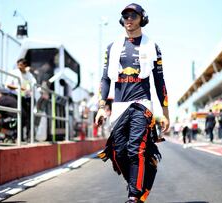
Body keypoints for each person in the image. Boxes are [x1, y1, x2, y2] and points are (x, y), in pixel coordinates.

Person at [95, 3, 169, 203]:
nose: (129, 19)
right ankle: (143, 176)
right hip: (119, 106)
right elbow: (105, 79)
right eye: (125, 15)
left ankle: (134, 197)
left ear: (142, 18)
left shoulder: (153, 47)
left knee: (135, 149)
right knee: (118, 153)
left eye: (133, 15)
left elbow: (159, 81)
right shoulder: (112, 48)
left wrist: (165, 113)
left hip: (142, 104)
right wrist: (101, 107)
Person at [5, 58, 37, 141]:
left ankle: (23, 137)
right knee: (20, 115)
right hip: (14, 96)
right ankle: (16, 135)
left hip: (24, 98)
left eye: (21, 65)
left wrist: (29, 90)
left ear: (25, 65)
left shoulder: (29, 75)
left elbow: (34, 83)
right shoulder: (14, 73)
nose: (19, 66)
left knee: (26, 117)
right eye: (18, 64)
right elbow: (8, 85)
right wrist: (20, 87)